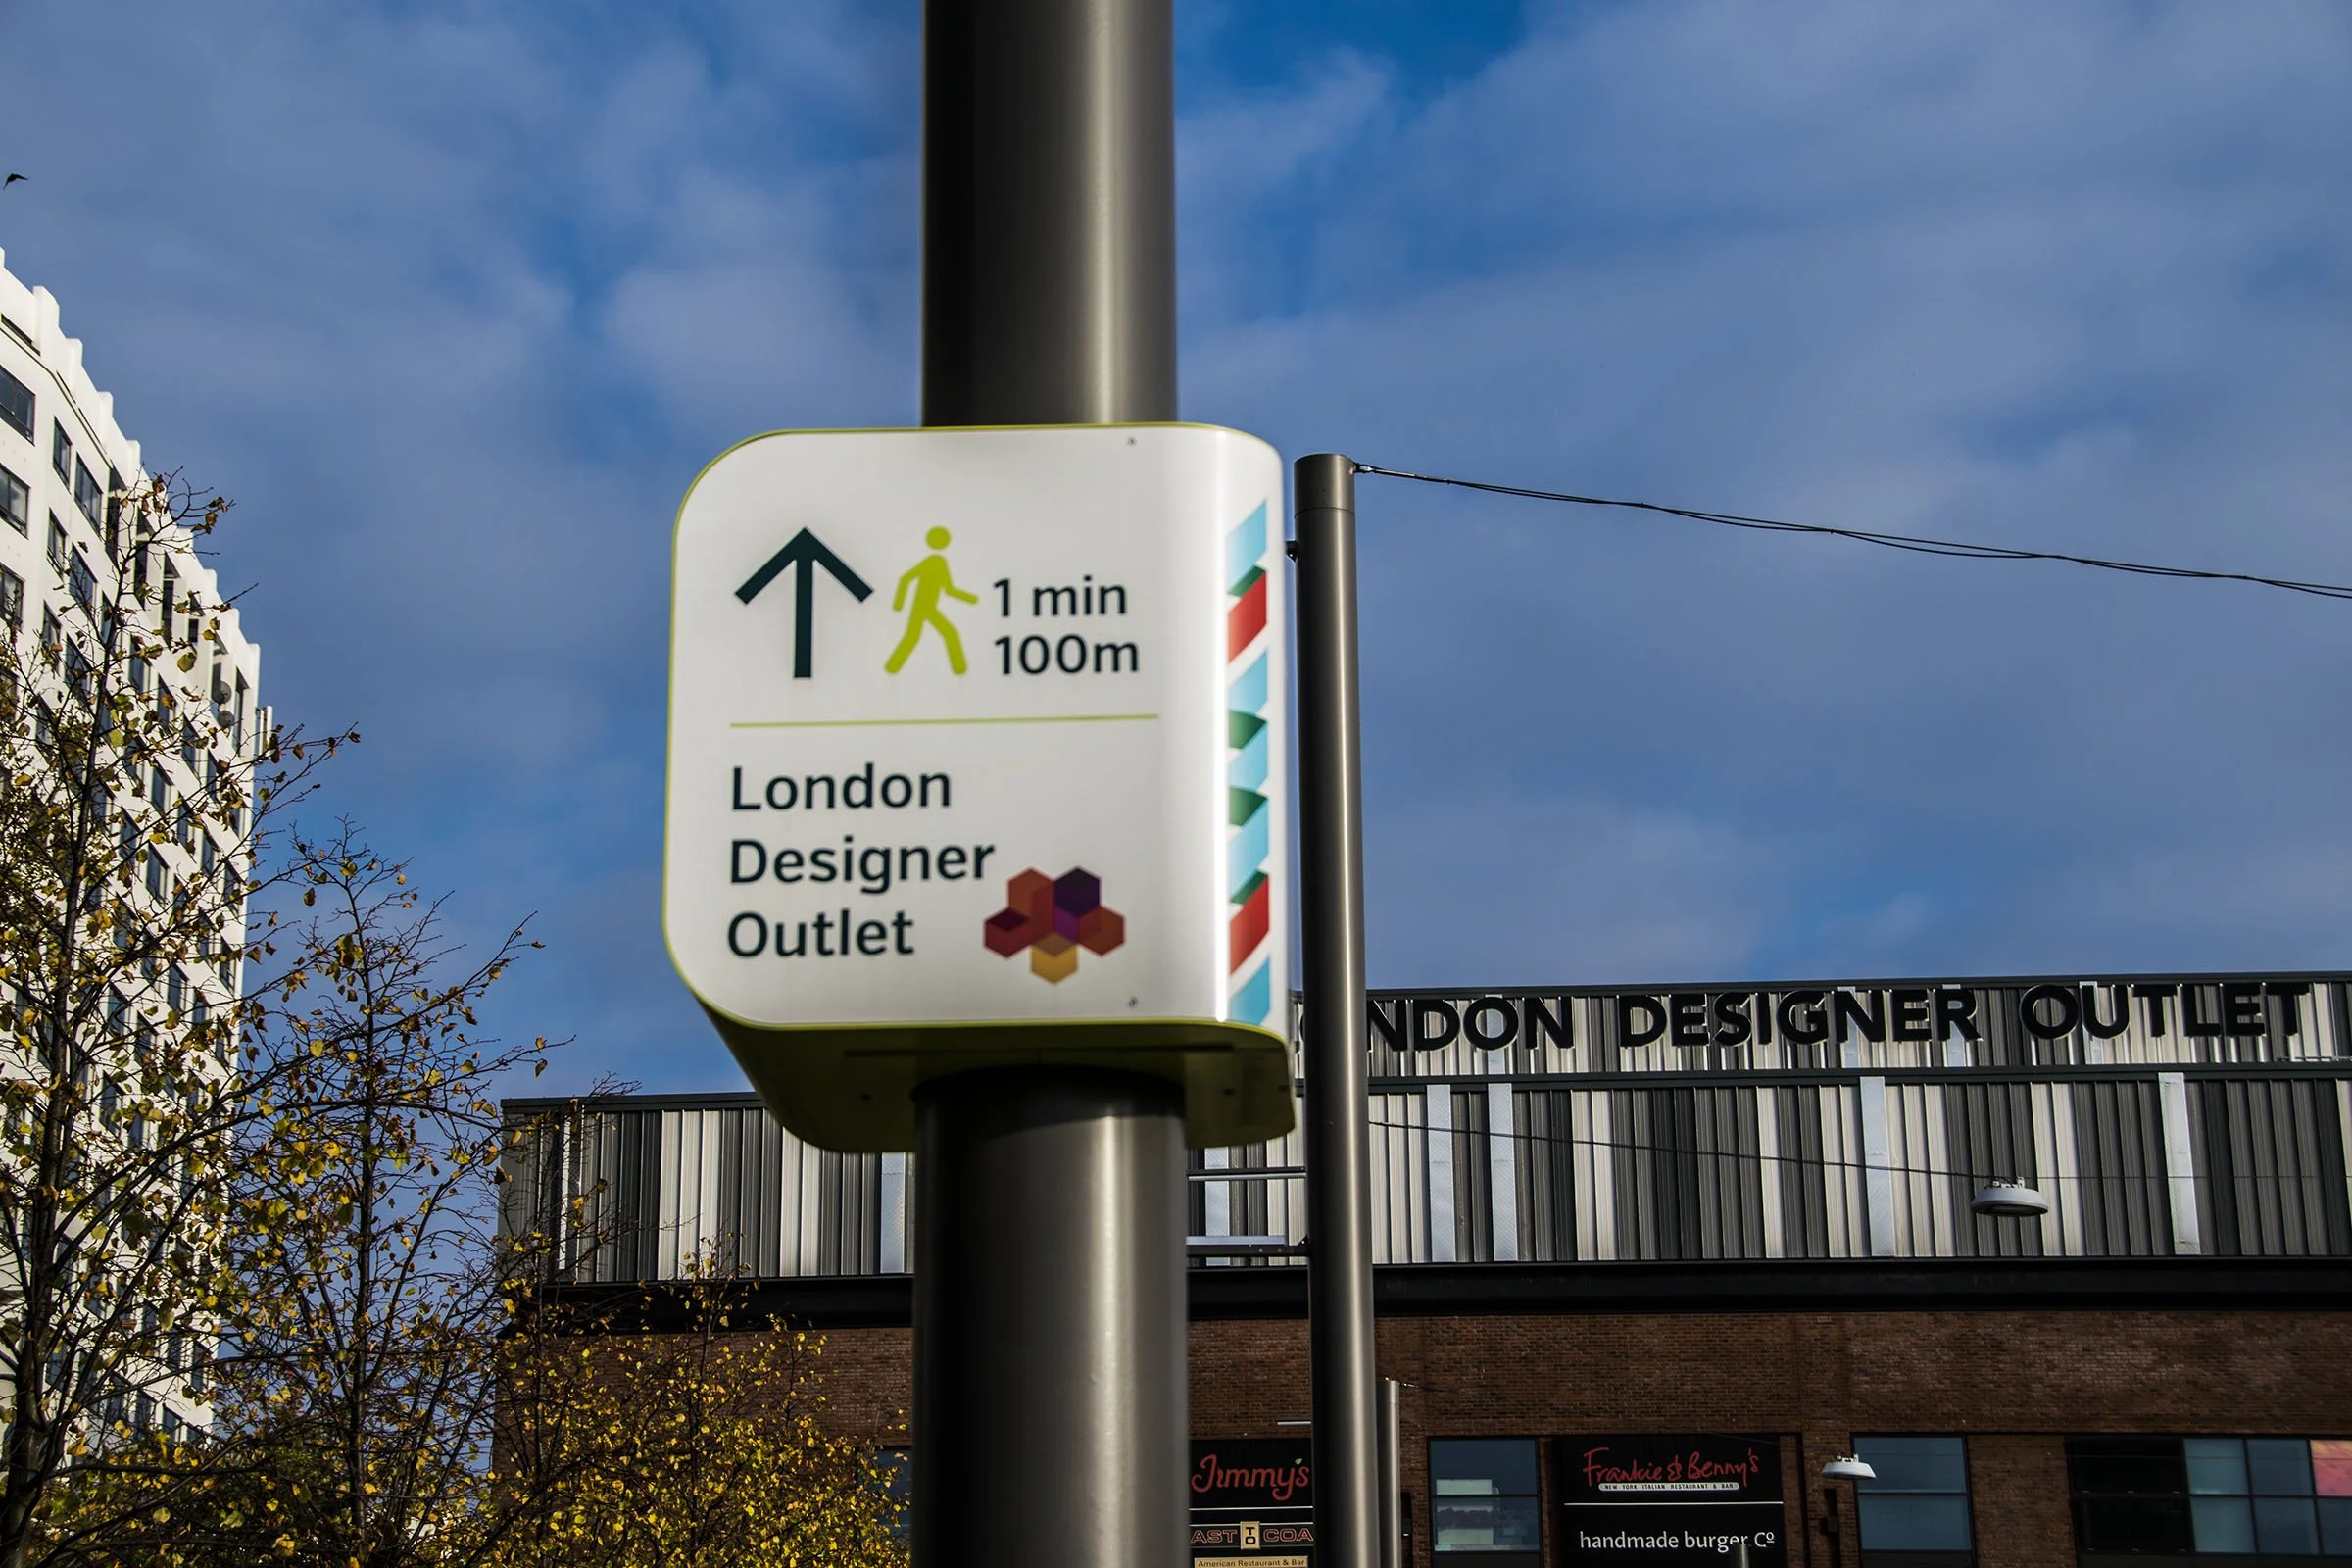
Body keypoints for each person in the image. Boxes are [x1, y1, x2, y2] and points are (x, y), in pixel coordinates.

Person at [886, 526, 979, 674]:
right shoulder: (933, 561)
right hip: (922, 607)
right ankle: (960, 669)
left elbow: (948, 590)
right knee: (944, 634)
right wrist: (898, 604)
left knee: (917, 637)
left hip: (927, 607)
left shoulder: (939, 562)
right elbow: (905, 579)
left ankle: (892, 668)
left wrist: (971, 599)